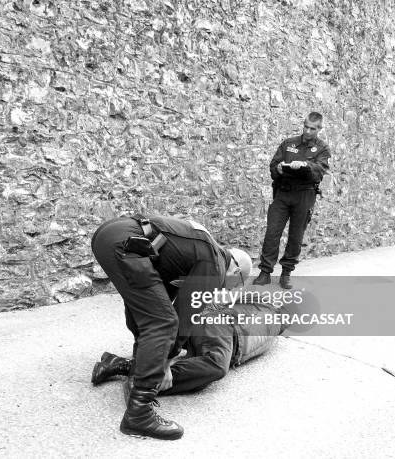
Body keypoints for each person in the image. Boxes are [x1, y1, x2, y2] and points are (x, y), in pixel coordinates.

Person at [90, 215, 252, 440]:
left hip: (110, 235)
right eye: (239, 283)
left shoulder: (189, 255)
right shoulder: (215, 263)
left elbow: (152, 311)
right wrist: (166, 363)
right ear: (236, 270)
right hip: (127, 241)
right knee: (163, 323)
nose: (233, 289)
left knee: (155, 318)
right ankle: (139, 415)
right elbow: (184, 319)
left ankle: (135, 376)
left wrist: (152, 360)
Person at [92, 285, 317, 399]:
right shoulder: (268, 303)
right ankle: (144, 384)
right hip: (221, 327)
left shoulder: (276, 328)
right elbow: (229, 295)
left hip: (219, 336)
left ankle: (119, 364)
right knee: (216, 366)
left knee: (208, 365)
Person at [253, 112, 331, 289]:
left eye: (312, 128)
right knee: (272, 232)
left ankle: (286, 273)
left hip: (304, 195)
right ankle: (265, 272)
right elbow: (273, 165)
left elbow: (320, 170)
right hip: (283, 193)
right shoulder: (288, 144)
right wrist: (279, 168)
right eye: (306, 126)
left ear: (319, 129)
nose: (308, 131)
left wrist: (305, 165)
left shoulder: (322, 149)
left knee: (296, 237)